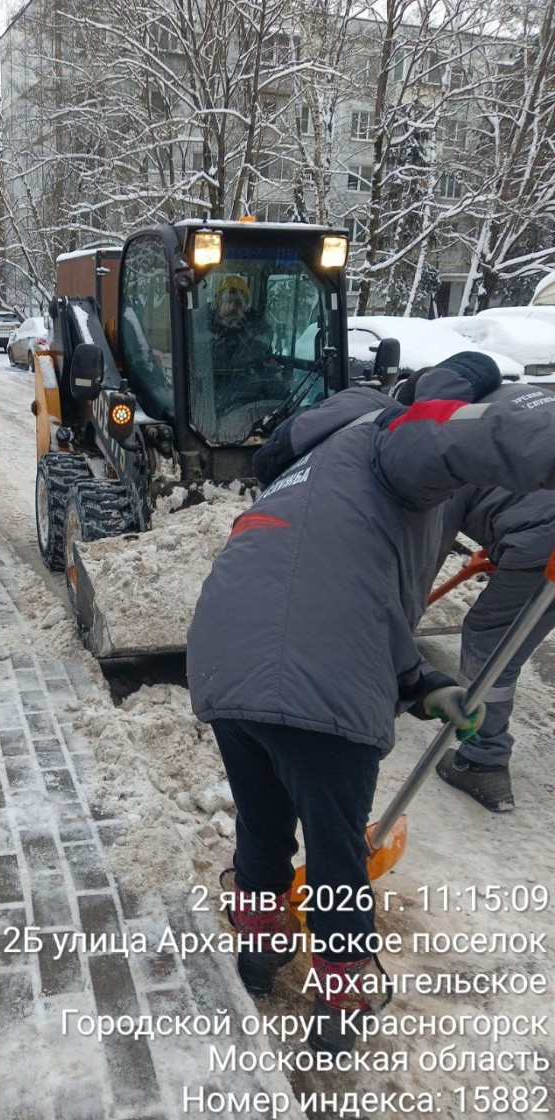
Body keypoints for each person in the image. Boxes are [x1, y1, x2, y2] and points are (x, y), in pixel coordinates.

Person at [186, 352, 555, 1053]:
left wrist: (422, 684)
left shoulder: (315, 458)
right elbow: (483, 431)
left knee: (263, 825)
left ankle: (260, 952)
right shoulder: (399, 436)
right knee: (335, 855)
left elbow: (336, 589)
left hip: (224, 662)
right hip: (317, 668)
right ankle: (343, 993)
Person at [393, 361, 555, 812]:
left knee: (492, 640)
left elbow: (422, 553)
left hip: (545, 542)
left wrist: (392, 636)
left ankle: (482, 762)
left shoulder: (448, 438)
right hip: (539, 538)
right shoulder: (515, 398)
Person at [208, 275, 281, 408]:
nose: (232, 307)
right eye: (227, 301)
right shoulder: (201, 329)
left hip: (251, 395)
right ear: (217, 303)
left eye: (238, 303)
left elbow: (267, 363)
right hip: (210, 397)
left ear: (246, 306)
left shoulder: (258, 333)